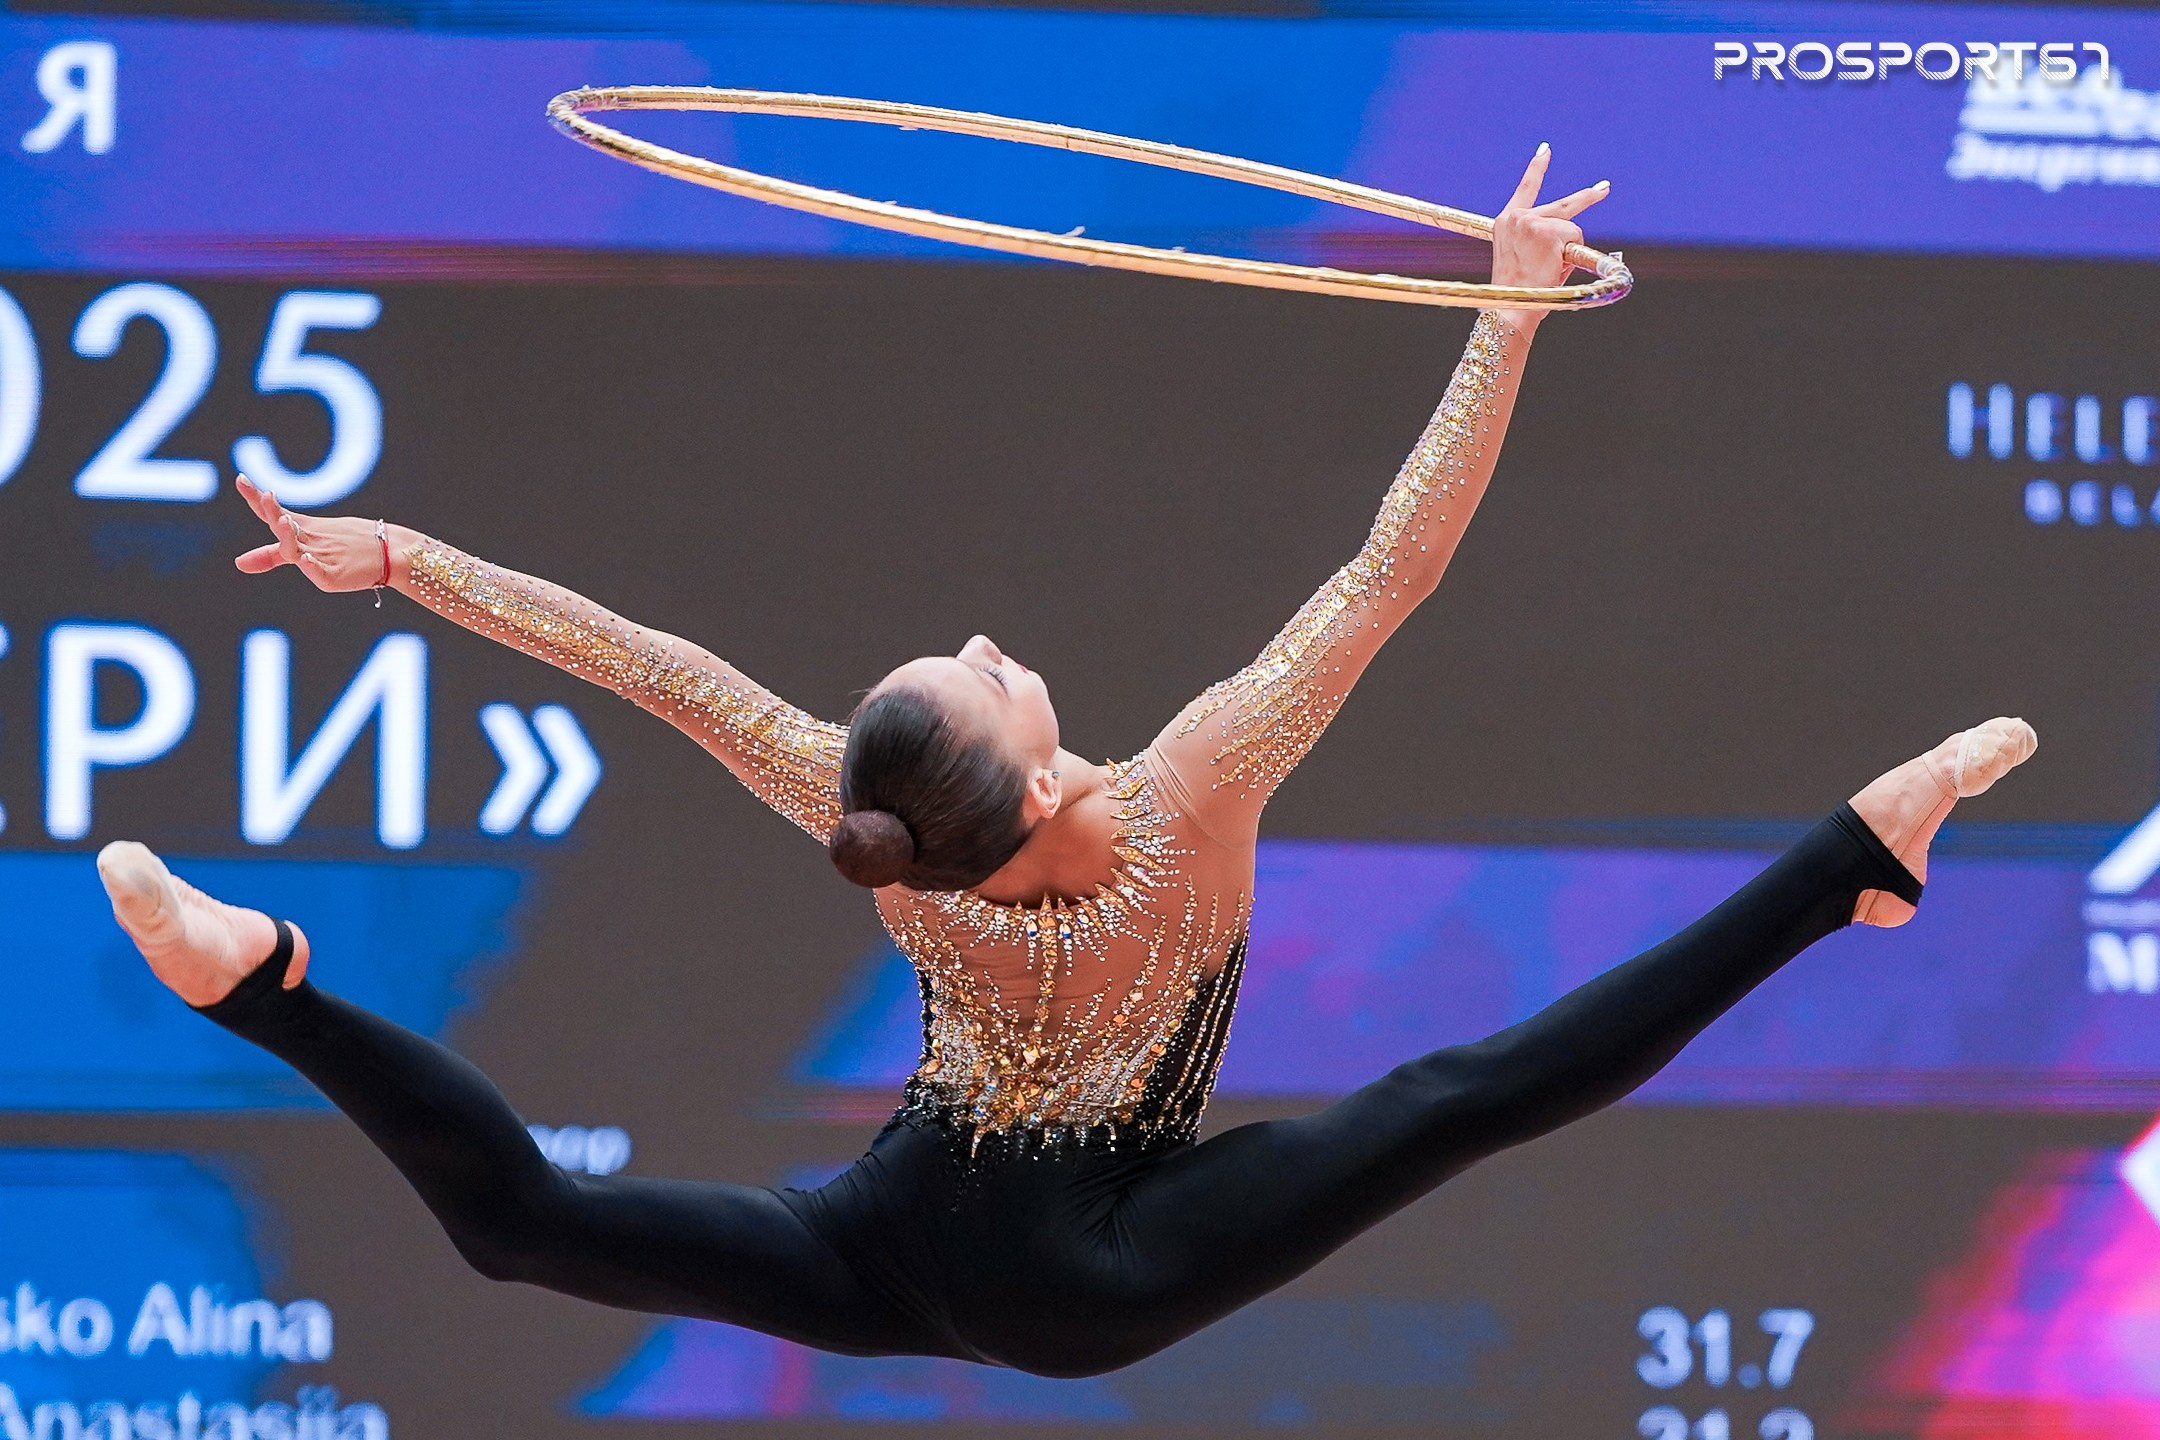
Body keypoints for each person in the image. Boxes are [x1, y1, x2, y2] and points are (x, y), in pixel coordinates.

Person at [96, 149, 2035, 1378]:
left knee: (526, 1228)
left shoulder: (903, 822)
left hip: (972, 1234)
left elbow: (661, 670)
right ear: (1024, 793)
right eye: (985, 672)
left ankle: (263, 986)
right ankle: (267, 984)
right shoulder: (1185, 785)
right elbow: (1388, 571)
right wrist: (1502, 315)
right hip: (1049, 1258)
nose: (991, 641)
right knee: (1462, 1093)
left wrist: (401, 558)